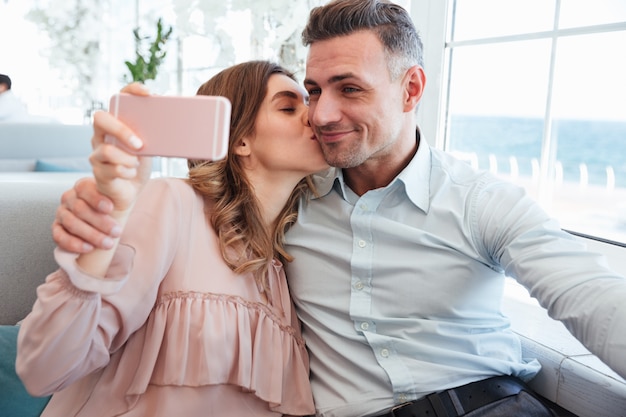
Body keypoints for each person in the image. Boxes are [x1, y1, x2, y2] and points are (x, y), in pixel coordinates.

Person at [50, 1, 626, 416]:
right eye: (312, 90)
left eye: (349, 89)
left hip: (488, 404)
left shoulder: (481, 202)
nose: (322, 114)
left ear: (411, 89)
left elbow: (591, 299)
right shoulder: (283, 206)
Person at [16, 60, 328, 416]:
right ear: (240, 139)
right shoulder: (174, 204)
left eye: (311, 101)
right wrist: (108, 223)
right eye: (289, 107)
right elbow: (44, 368)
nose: (314, 116)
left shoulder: (286, 269)